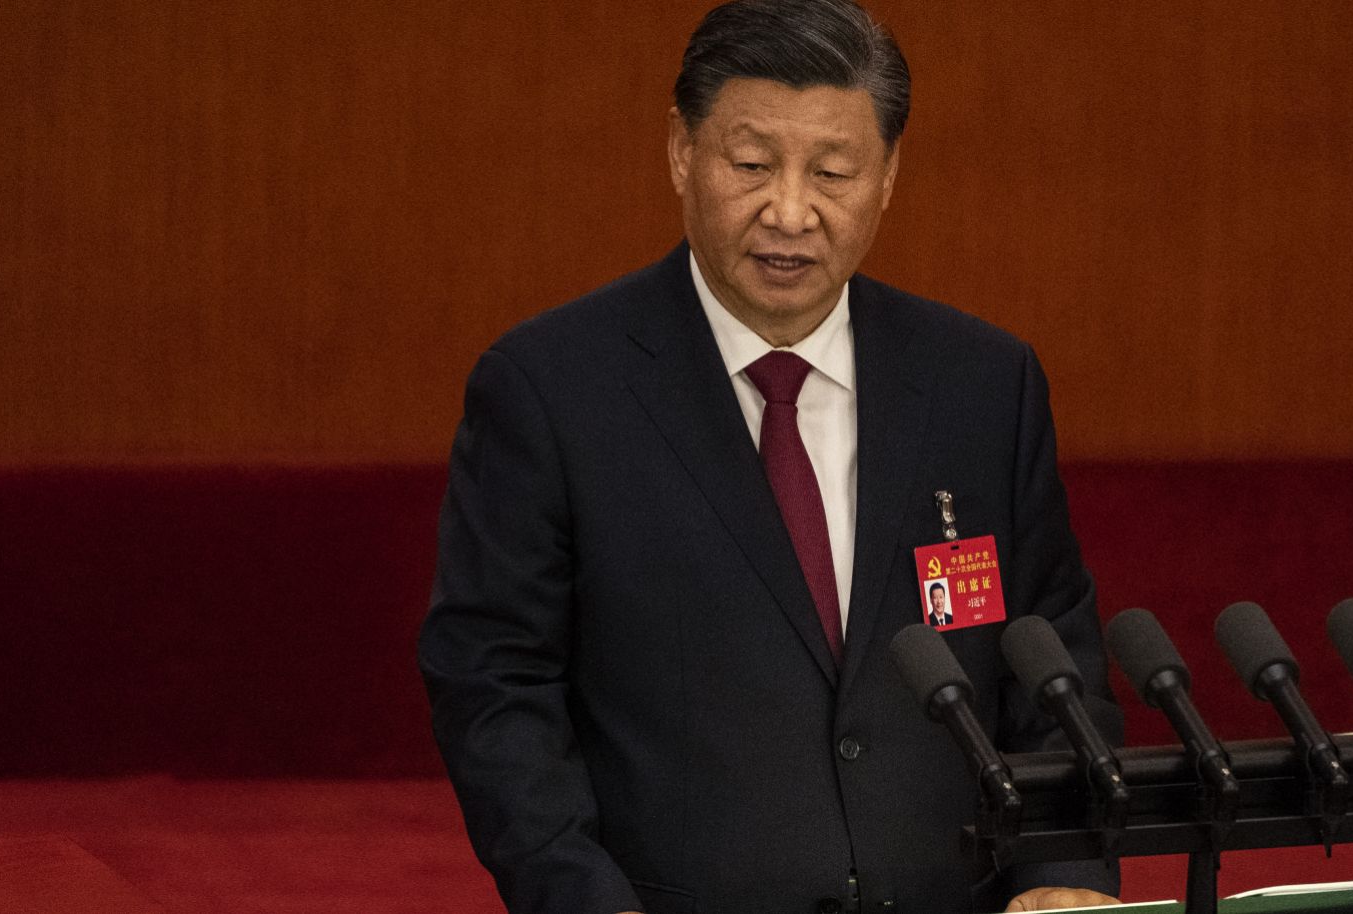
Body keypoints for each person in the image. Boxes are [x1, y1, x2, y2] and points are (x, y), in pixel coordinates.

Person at [418, 2, 1123, 912]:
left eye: (833, 172)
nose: (790, 211)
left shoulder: (983, 385)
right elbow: (494, 686)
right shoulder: (551, 391)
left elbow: (1051, 664)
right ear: (682, 150)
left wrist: (1065, 870)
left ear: (889, 174)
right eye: (751, 165)